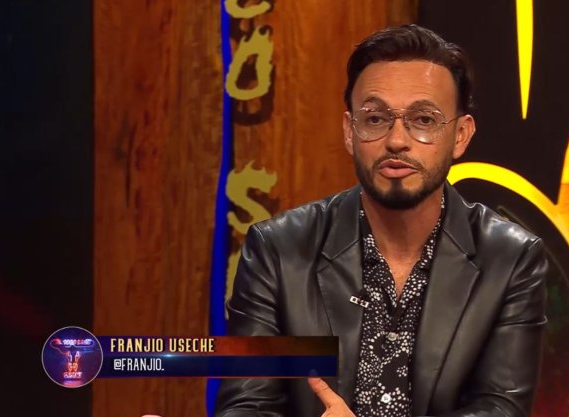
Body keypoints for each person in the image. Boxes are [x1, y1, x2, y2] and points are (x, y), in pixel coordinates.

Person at [216, 24, 548, 417]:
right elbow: (247, 405)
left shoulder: (510, 260)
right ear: (349, 131)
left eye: (423, 120)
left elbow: (500, 408)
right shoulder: (278, 250)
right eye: (375, 119)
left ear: (461, 135)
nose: (396, 140)